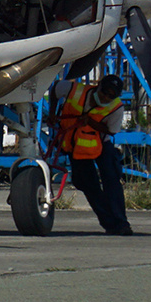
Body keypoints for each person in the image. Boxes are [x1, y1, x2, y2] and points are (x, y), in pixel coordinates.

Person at [55, 74, 133, 236]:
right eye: (105, 92)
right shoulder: (73, 90)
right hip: (76, 145)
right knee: (88, 184)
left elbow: (111, 131)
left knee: (111, 180)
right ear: (98, 86)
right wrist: (52, 113)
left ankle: (121, 222)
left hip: (100, 144)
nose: (106, 97)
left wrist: (90, 122)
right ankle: (110, 224)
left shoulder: (116, 108)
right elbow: (55, 89)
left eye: (112, 96)